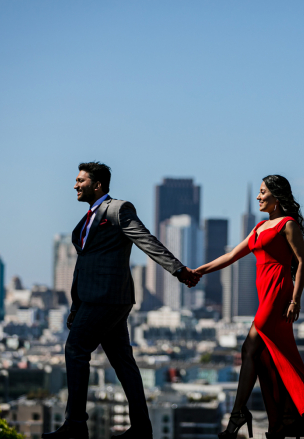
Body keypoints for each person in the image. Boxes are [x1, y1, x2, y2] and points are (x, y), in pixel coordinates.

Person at [42, 162, 201, 439]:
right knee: (123, 361)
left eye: (81, 180)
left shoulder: (117, 209)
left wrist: (178, 269)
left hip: (107, 298)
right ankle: (141, 428)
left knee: (76, 350)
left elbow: (146, 240)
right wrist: (75, 306)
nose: (76, 185)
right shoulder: (89, 218)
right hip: (94, 299)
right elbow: (83, 266)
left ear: (98, 185)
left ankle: (76, 425)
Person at [195, 175, 304, 439]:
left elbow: (302, 262)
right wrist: (198, 271)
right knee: (264, 358)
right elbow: (231, 256)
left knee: (249, 348)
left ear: (276, 196)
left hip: (279, 296)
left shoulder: (287, 225)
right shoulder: (259, 227)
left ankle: (239, 415)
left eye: (263, 192)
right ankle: (280, 420)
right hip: (265, 297)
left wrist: (296, 300)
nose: (258, 197)